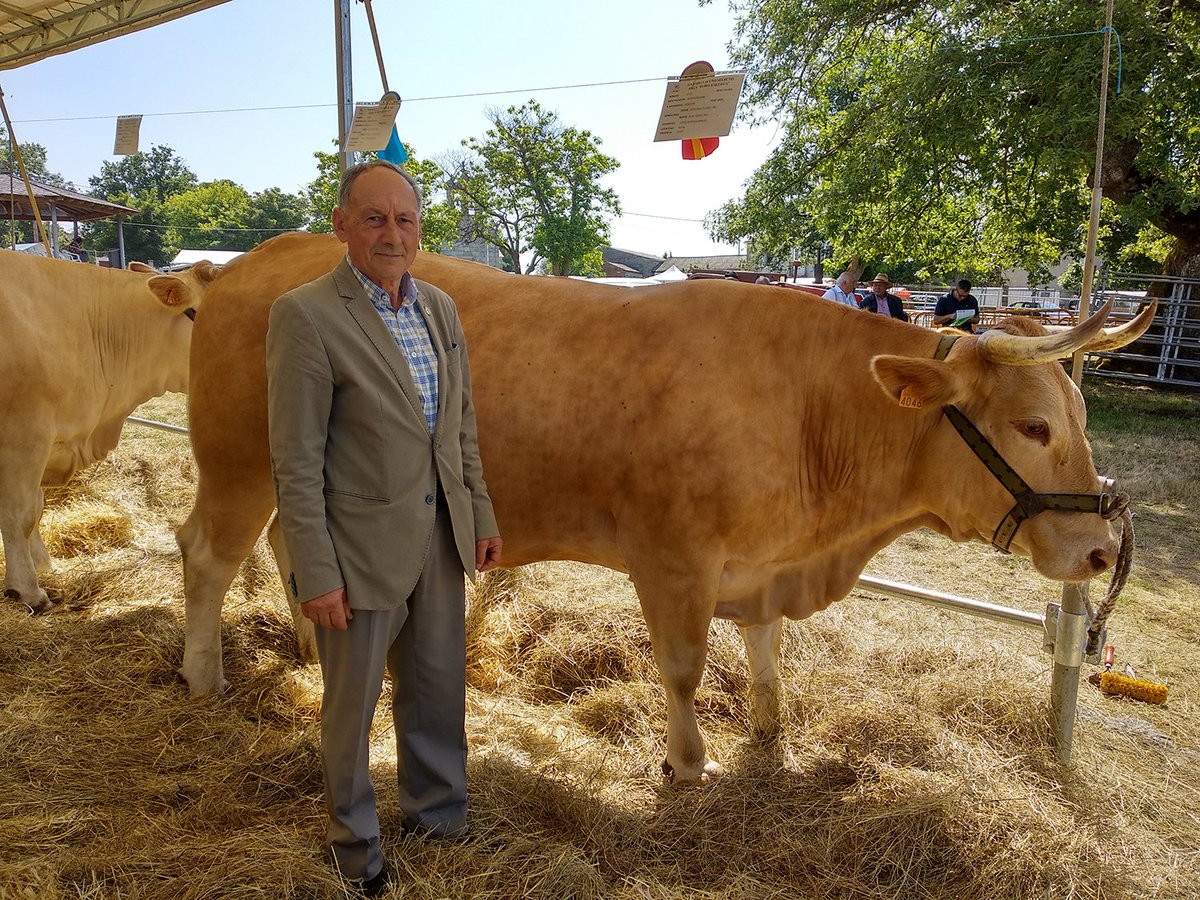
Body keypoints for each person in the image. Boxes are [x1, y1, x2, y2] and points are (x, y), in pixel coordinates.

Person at [266, 159, 503, 896]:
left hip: (439, 537)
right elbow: (296, 461)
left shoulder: (439, 307)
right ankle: (355, 848)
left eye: (404, 219)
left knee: (436, 688)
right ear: (340, 224)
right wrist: (316, 568)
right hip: (357, 550)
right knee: (352, 707)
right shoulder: (305, 314)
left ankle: (439, 817)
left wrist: (481, 514)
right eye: (374, 218)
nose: (392, 233)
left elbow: (459, 427)